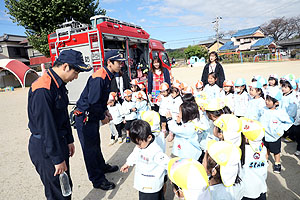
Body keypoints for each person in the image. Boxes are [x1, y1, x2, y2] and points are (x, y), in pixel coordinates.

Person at [28, 49, 92, 199]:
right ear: (65, 66)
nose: (76, 77)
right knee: (57, 192)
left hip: (58, 142)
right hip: (46, 147)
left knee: (65, 187)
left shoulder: (58, 84)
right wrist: (57, 158)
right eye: (75, 72)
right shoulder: (43, 88)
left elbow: (63, 114)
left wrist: (69, 140)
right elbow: (46, 127)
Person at [74, 50, 124, 190]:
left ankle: (101, 166)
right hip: (85, 116)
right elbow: (93, 102)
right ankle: (97, 180)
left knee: (95, 144)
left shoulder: (108, 75)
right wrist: (103, 117)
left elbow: (101, 100)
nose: (121, 64)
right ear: (109, 62)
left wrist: (106, 111)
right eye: (118, 62)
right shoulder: (99, 77)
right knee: (89, 149)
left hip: (92, 115)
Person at [120, 120, 170, 200]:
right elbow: (135, 154)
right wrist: (128, 163)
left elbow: (168, 163)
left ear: (149, 137)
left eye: (139, 144)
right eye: (136, 144)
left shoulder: (155, 151)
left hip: (151, 186)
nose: (138, 146)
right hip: (143, 182)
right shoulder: (141, 145)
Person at [259, 88, 293, 173]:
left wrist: (280, 130)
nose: (267, 102)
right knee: (265, 149)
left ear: (276, 102)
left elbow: (289, 121)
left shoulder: (280, 112)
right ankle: (265, 160)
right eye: (266, 99)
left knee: (276, 151)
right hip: (264, 134)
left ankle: (277, 163)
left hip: (274, 136)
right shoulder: (263, 109)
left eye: (269, 100)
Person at [239, 117, 268, 200]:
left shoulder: (242, 151)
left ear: (246, 138)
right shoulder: (262, 147)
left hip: (246, 191)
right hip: (261, 187)